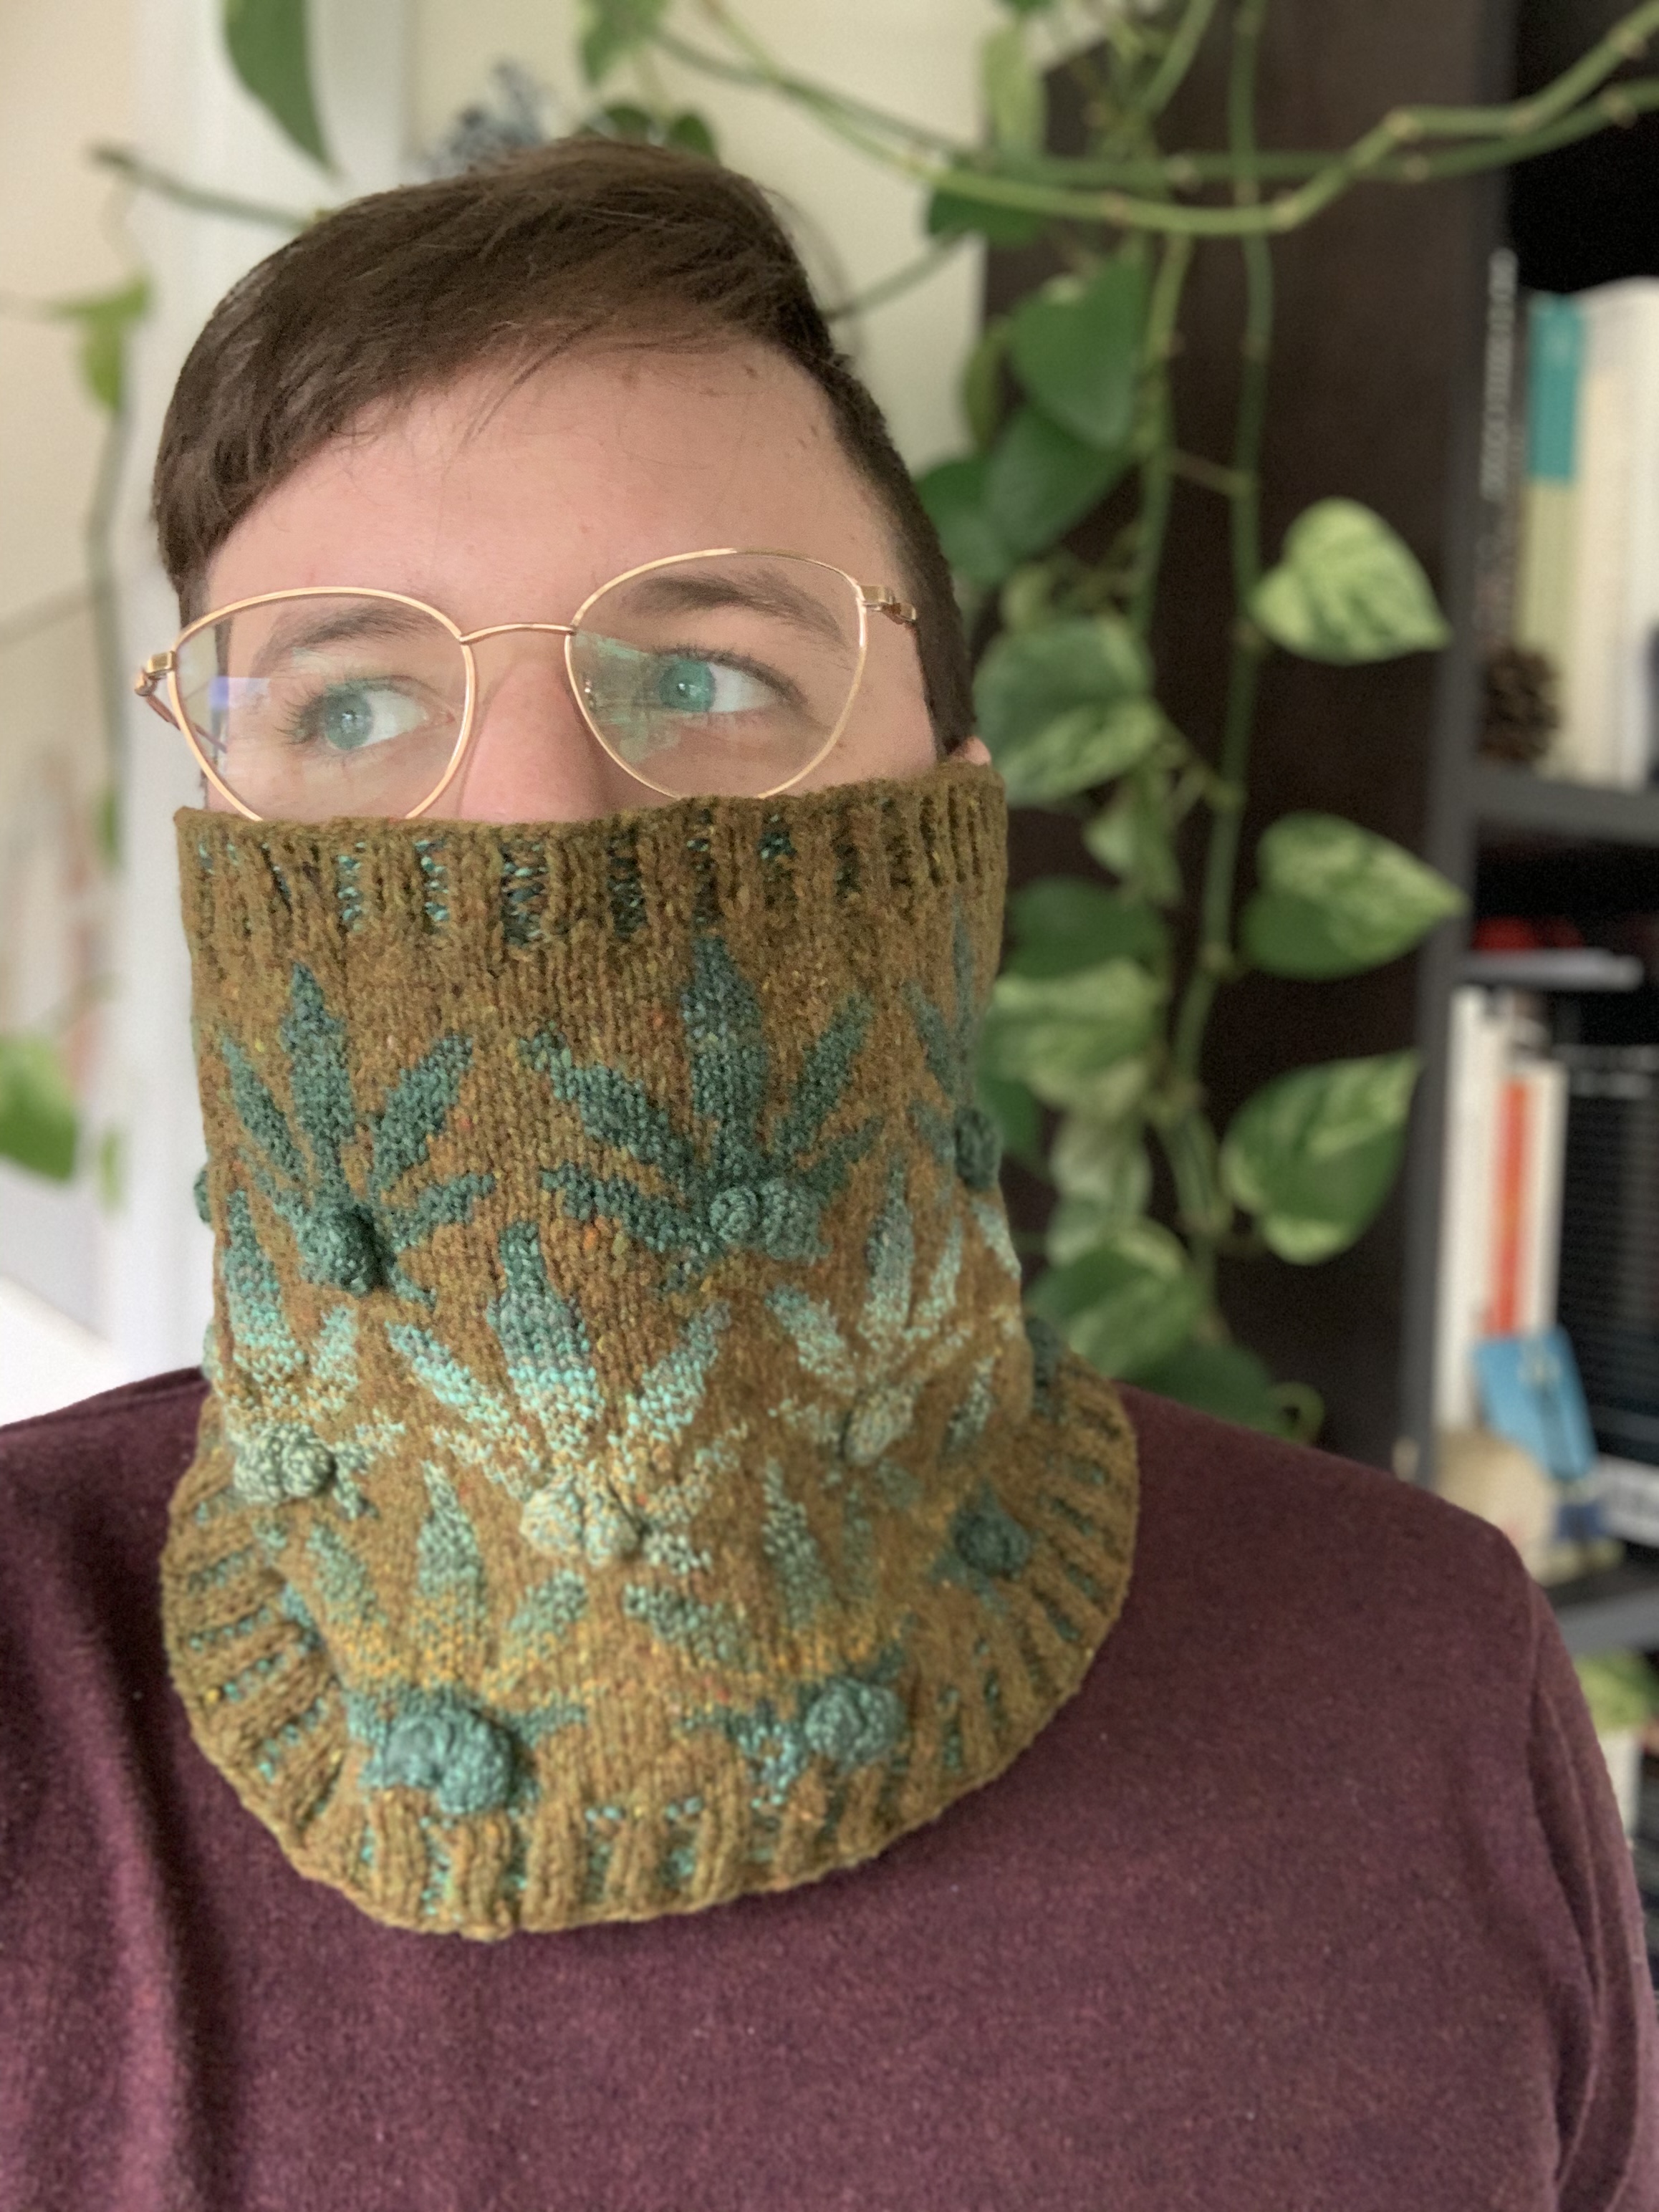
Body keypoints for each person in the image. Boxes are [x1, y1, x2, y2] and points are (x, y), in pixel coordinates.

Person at [1, 138, 1654, 2212]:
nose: (530, 823)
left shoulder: (1427, 1679)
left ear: (958, 834)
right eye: (347, 706)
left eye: (706, 676)